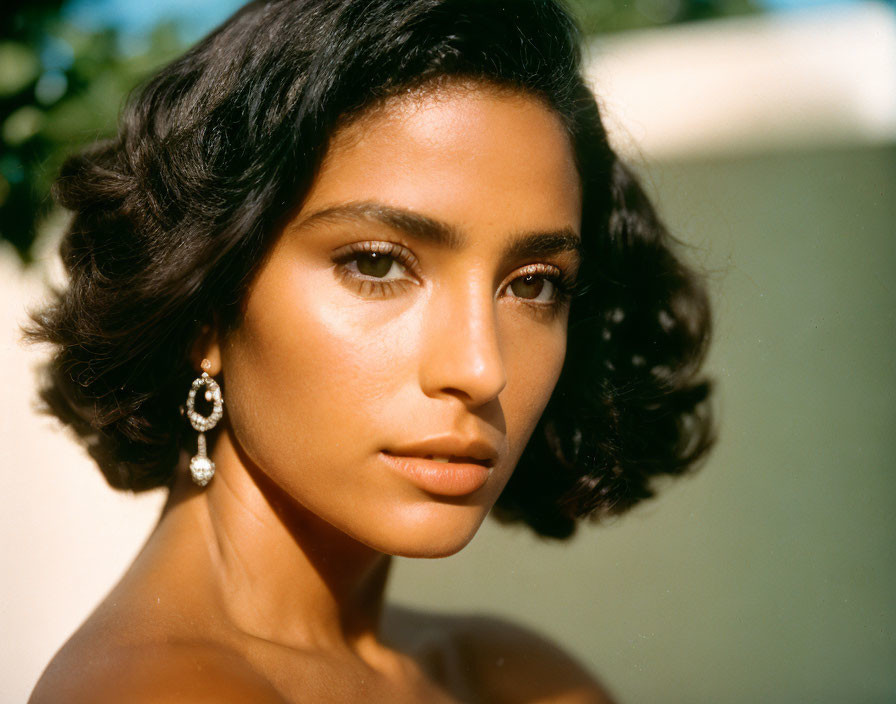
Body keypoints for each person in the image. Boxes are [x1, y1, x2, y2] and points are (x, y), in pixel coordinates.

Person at [25, 0, 713, 701]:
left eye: (533, 284)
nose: (480, 369)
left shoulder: (517, 675)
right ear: (203, 305)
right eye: (379, 265)